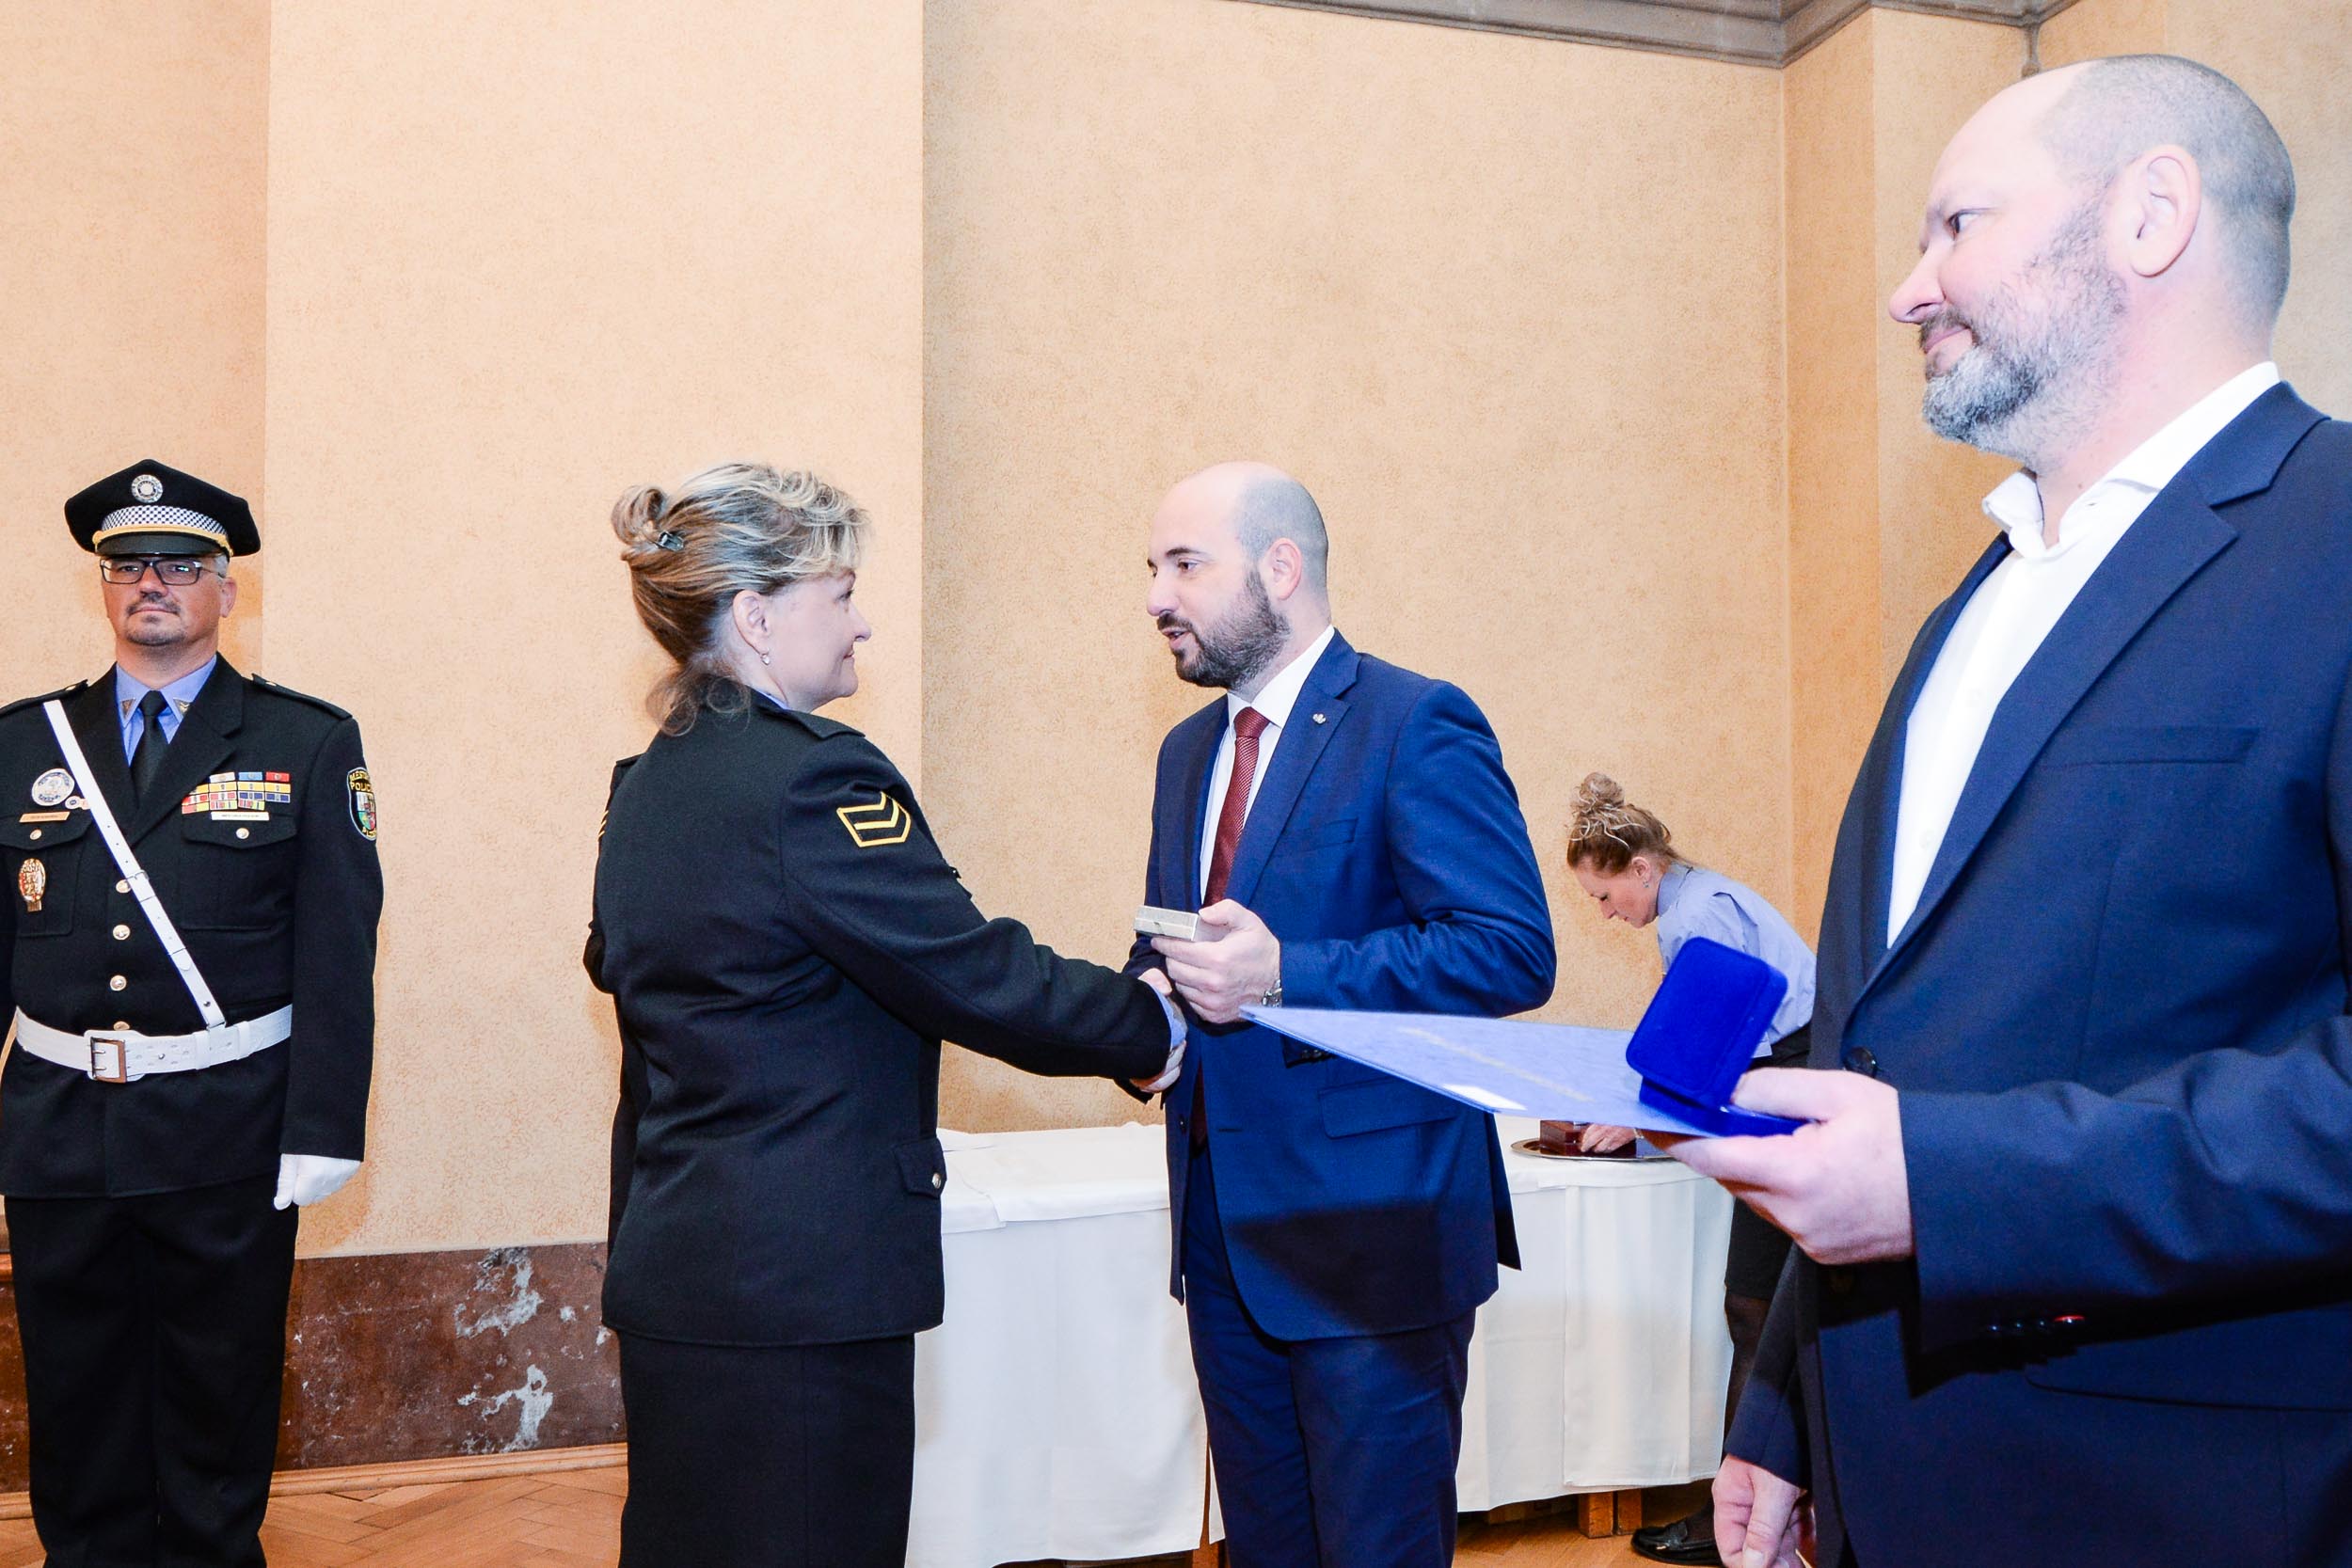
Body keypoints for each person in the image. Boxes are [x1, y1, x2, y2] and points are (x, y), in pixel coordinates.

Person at [1661, 55, 2352, 1568]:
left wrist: (1954, 1183)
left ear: (2150, 216)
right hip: (1889, 1472)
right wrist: (1783, 1403)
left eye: (1956, 224)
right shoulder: (1979, 603)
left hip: (2183, 1498)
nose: (1911, 289)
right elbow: (1893, 1043)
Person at [584, 462, 1182, 1568]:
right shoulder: (813, 782)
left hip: (683, 1270)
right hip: (801, 1285)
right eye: (841, 593)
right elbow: (969, 969)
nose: (862, 625)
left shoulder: (649, 783)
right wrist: (1155, 1026)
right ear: (757, 617)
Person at [1134, 461, 1555, 1568]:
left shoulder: (1415, 721)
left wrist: (1289, 974)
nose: (1155, 596)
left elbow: (1509, 949)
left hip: (1377, 1237)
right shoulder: (1189, 751)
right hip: (1224, 1235)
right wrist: (1146, 1015)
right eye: (1152, 567)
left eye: (1185, 563)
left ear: (1280, 568)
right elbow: (1171, 940)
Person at [0, 459, 380, 1565]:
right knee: (75, 1402)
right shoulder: (23, 745)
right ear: (103, 587)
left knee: (216, 1400)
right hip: (60, 1129)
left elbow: (338, 950)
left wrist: (322, 1127)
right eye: (126, 565)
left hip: (230, 1129)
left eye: (177, 564)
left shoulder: (303, 741)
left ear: (225, 589)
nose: (149, 582)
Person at [1564, 772, 1813, 1568]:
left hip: (1790, 1093)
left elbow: (1706, 1046)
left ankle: (1728, 1518)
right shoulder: (1709, 895)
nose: (1607, 914)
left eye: (1605, 896)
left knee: (1753, 1308)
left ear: (1642, 868)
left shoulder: (1692, 916)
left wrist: (1633, 1124)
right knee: (1764, 1309)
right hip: (1800, 1080)